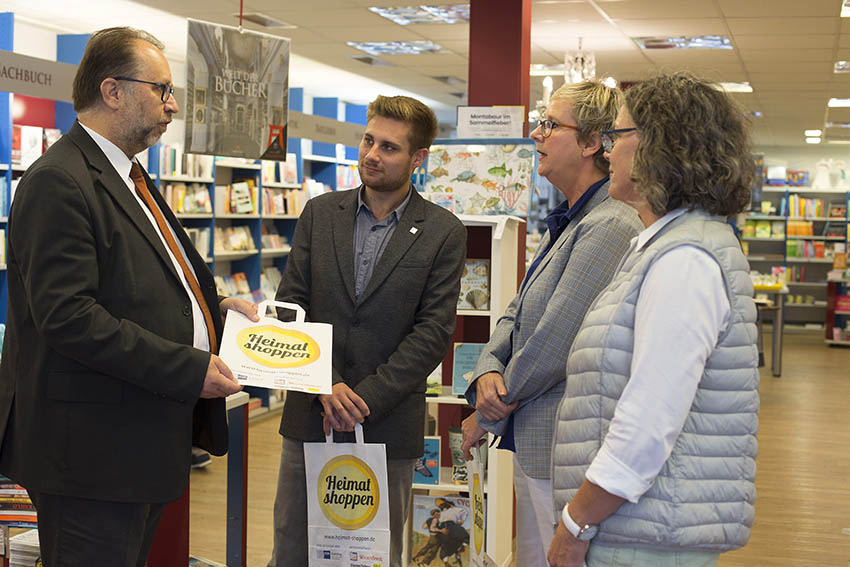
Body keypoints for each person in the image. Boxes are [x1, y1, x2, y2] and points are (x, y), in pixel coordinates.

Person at [0, 27, 257, 567]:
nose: (173, 105)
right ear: (112, 90)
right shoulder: (60, 181)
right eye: (161, 89)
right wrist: (189, 366)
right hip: (91, 453)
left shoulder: (129, 174)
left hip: (136, 442)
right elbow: (69, 317)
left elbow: (144, 280)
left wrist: (212, 312)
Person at [548, 71, 759, 567]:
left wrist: (577, 521)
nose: (606, 152)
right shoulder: (664, 248)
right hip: (634, 528)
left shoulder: (685, 260)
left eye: (617, 137)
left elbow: (647, 422)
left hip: (640, 537)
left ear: (660, 147)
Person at [268, 94, 467, 567]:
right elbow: (292, 304)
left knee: (370, 555)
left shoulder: (443, 231)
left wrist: (364, 399)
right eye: (368, 140)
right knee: (292, 549)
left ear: (418, 158)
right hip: (310, 416)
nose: (372, 154)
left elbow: (432, 332)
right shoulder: (319, 213)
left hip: (385, 424)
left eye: (390, 148)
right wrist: (327, 385)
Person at [459, 79, 642, 566]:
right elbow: (518, 311)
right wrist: (486, 369)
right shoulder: (570, 218)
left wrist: (485, 411)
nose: (536, 135)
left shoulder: (610, 223)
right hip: (535, 434)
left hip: (562, 447)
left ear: (591, 143)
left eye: (549, 124)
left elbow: (555, 339)